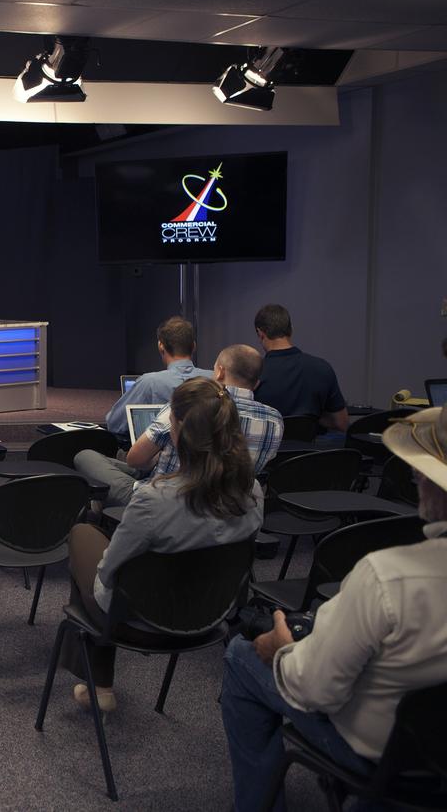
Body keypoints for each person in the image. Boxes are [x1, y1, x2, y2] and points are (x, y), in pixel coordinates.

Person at [220, 404, 447, 812]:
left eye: (423, 470)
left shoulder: (387, 577)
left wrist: (282, 650)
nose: (415, 478)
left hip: (391, 759)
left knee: (240, 656)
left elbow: (313, 689)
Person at [63, 377, 264, 712]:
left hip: (142, 622)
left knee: (83, 534)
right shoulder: (253, 492)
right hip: (212, 615)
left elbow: (109, 575)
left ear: (181, 430)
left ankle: (99, 683)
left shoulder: (153, 500)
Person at [75, 344, 283, 507]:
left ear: (219, 372)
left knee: (86, 456)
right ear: (256, 383)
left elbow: (135, 459)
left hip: (163, 501)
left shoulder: (186, 405)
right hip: (227, 505)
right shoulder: (275, 421)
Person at [105, 316, 211, 445]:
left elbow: (114, 424)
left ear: (160, 346)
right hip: (208, 460)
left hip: (158, 459)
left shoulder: (149, 382)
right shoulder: (216, 381)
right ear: (194, 346)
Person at [252, 303, 348, 432]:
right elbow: (341, 423)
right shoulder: (322, 368)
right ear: (291, 329)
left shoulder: (252, 373)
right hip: (312, 451)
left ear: (260, 333)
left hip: (269, 451)